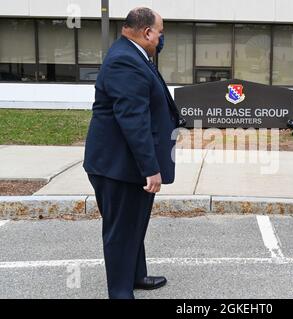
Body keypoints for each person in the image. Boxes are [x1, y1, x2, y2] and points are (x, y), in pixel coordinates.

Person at [83, 7, 181, 299]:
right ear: (147, 32)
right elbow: (132, 119)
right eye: (160, 33)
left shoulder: (136, 55)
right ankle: (120, 291)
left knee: (134, 223)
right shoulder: (125, 61)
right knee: (121, 231)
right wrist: (150, 168)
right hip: (118, 166)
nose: (161, 38)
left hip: (126, 163)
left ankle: (136, 275)